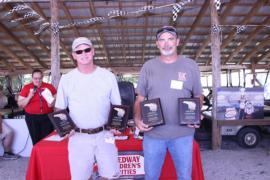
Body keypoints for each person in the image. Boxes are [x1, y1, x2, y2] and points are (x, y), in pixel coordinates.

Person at [134, 26, 203, 180]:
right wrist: (138, 119)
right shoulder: (148, 67)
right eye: (162, 40)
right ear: (157, 43)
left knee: (185, 177)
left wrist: (196, 114)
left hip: (183, 135)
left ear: (177, 41)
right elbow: (140, 99)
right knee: (151, 176)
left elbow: (198, 95)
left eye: (170, 39)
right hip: (153, 135)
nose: (166, 44)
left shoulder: (191, 65)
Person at [55, 37, 121, 180]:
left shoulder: (108, 76)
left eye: (87, 50)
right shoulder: (66, 79)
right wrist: (65, 128)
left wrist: (117, 126)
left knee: (110, 176)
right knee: (80, 177)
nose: (83, 54)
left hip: (105, 135)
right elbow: (59, 107)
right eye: (79, 51)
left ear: (93, 51)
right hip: (78, 137)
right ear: (74, 55)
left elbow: (117, 107)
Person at [17, 69, 57, 145]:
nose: (38, 80)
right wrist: (29, 97)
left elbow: (57, 100)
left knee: (48, 140)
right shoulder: (26, 87)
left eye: (40, 78)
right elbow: (20, 104)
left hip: (47, 117)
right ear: (32, 78)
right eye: (35, 78)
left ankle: (46, 156)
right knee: (36, 140)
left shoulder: (49, 87)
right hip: (32, 118)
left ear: (42, 77)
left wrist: (52, 102)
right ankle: (37, 156)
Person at [0, 86, 20, 160]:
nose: (1, 92)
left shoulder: (3, 98)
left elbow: (4, 107)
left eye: (1, 91)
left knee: (9, 132)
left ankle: (7, 153)